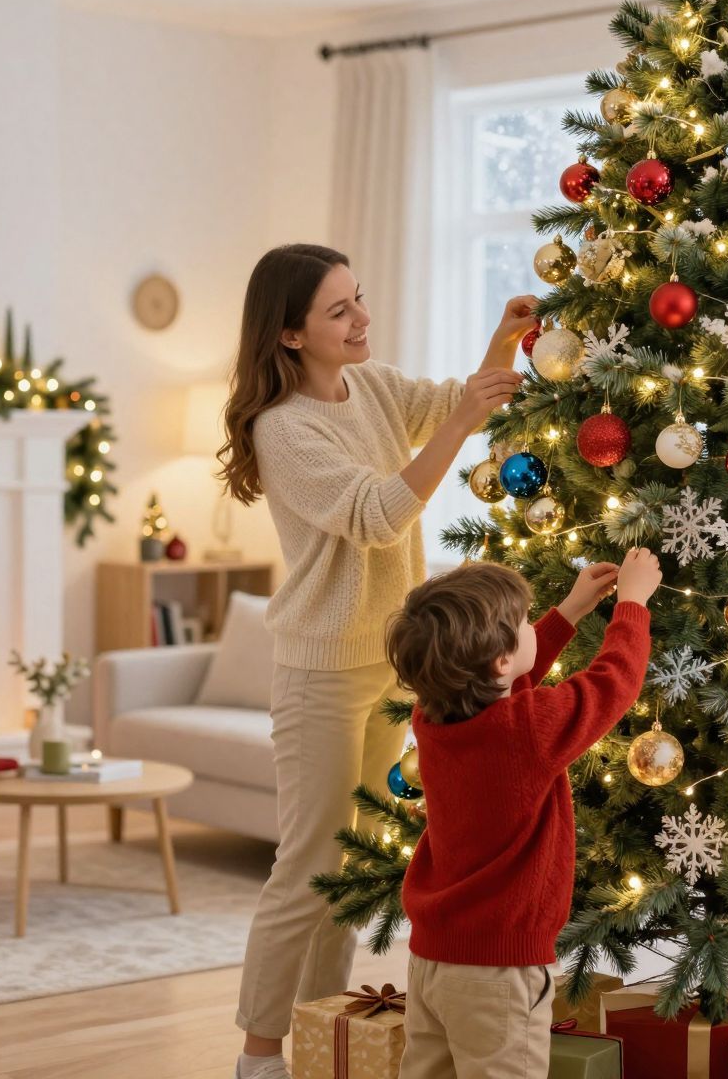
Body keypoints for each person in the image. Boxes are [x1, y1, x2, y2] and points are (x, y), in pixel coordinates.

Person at [216, 243, 537, 1079]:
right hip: (321, 672)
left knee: (354, 866)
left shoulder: (378, 385)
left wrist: (502, 345)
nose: (362, 319)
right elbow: (380, 515)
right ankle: (258, 1053)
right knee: (309, 862)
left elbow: (448, 403)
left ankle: (323, 1031)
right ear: (290, 335)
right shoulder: (282, 429)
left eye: (359, 299)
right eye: (339, 312)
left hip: (394, 665)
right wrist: (464, 420)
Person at [388, 549, 661, 1079]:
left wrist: (570, 611)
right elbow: (613, 683)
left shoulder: (434, 717)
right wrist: (632, 605)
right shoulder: (528, 730)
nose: (530, 628)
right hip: (500, 970)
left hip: (432, 959)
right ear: (499, 661)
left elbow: (509, 681)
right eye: (522, 624)